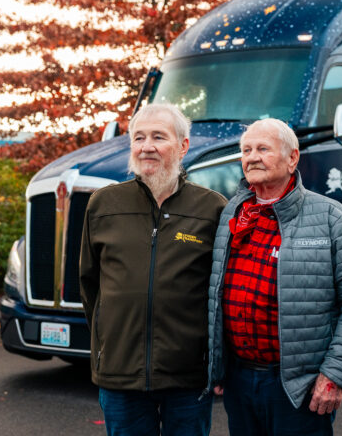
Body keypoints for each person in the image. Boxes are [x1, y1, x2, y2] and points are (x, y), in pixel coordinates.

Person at [207, 118, 342, 436]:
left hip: (299, 387)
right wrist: (218, 367)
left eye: (263, 148)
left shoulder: (330, 217)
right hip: (240, 380)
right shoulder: (232, 214)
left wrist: (334, 375)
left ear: (292, 158)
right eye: (246, 150)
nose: (252, 157)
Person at [80, 103, 226, 436]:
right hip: (120, 374)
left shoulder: (211, 208)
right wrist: (108, 341)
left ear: (183, 146)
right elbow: (90, 285)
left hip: (187, 375)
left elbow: (220, 291)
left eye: (158, 137)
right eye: (139, 137)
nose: (146, 146)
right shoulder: (103, 205)